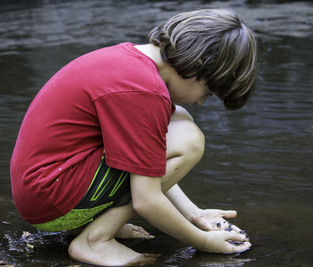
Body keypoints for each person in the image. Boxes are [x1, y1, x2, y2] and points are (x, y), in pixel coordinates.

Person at [10, 9, 257, 266]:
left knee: (178, 118)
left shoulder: (129, 63)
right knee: (189, 139)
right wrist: (203, 241)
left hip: (43, 193)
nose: (200, 102)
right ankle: (95, 240)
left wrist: (194, 214)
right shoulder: (144, 91)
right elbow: (146, 200)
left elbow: (146, 160)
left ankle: (91, 226)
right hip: (54, 202)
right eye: (207, 92)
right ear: (198, 67)